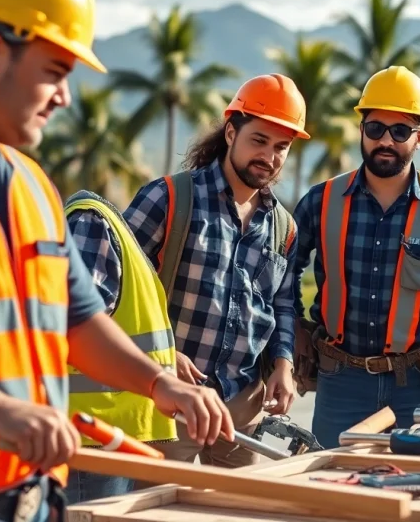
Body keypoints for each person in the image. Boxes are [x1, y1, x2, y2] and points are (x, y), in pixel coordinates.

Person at [0, 0, 232, 522]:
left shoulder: (30, 186)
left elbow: (76, 319)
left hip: (28, 500)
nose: (65, 97)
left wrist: (159, 384)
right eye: (54, 72)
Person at [292, 65, 420, 449]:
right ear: (361, 130)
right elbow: (282, 275)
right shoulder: (320, 202)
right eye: (375, 128)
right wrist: (293, 329)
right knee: (329, 487)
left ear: (419, 138)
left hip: (413, 384)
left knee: (406, 485)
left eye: (400, 131)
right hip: (340, 379)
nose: (385, 141)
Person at [123, 73, 305, 474]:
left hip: (243, 408)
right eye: (259, 140)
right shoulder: (170, 198)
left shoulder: (283, 227)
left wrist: (283, 365)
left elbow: (283, 304)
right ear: (230, 132)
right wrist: (164, 355)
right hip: (170, 404)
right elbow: (112, 292)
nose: (270, 157)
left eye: (282, 147)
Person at [62, 188, 179, 503]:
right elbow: (78, 324)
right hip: (93, 428)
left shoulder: (112, 228)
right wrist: (159, 380)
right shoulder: (92, 220)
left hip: (112, 427)